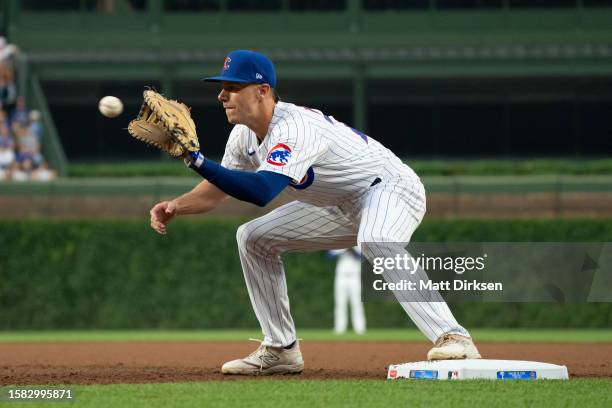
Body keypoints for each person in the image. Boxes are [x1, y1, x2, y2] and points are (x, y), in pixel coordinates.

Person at [149, 50, 481, 375]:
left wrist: (197, 161)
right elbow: (219, 189)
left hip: (390, 187)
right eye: (222, 87)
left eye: (233, 87)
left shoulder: (295, 128)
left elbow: (261, 191)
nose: (222, 95)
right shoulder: (243, 136)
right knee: (252, 238)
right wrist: (178, 205)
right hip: (338, 204)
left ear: (263, 91)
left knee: (377, 239)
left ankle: (455, 337)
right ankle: (281, 349)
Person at [328, 247, 366, 335]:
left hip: (355, 276)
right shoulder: (340, 244)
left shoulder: (358, 245)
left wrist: (352, 249)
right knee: (340, 303)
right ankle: (339, 328)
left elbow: (362, 257)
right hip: (341, 276)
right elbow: (329, 255)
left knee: (357, 303)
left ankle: (360, 328)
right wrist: (344, 249)